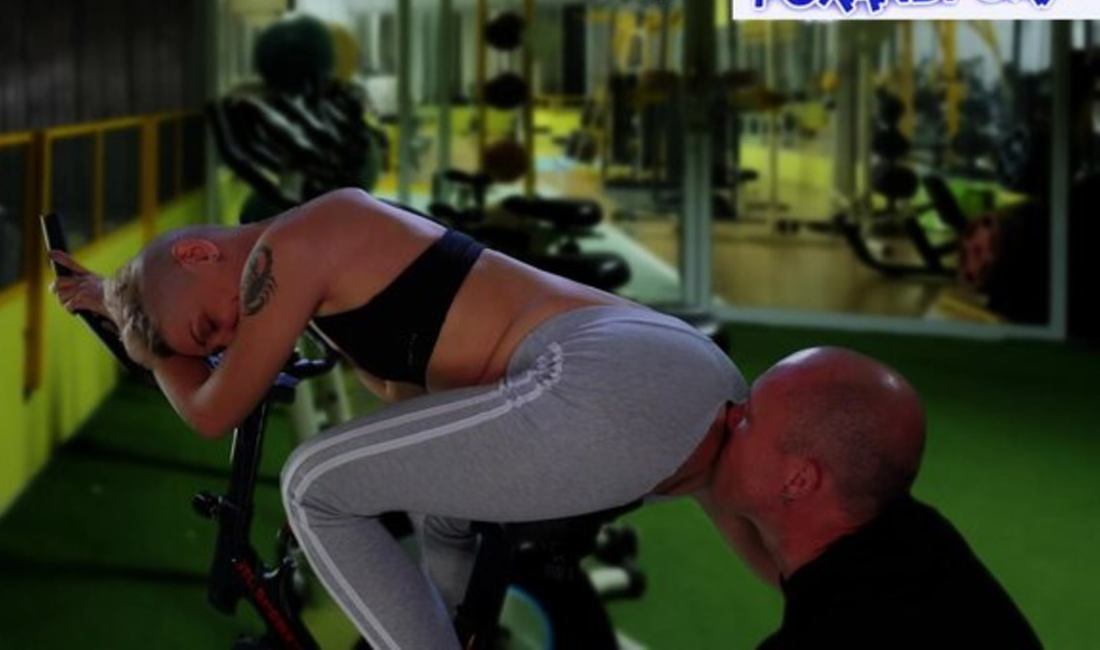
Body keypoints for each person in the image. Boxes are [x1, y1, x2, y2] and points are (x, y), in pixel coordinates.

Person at [51, 187, 750, 650]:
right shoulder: (332, 290)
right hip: (667, 379)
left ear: (198, 251)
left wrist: (147, 346)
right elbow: (412, 411)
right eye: (214, 343)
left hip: (610, 374)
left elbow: (213, 412)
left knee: (313, 485)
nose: (232, 338)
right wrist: (116, 302)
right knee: (431, 506)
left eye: (209, 325)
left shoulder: (287, 248)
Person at [707, 347, 1041, 649]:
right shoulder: (919, 539)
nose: (729, 417)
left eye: (747, 418)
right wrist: (704, 484)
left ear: (798, 480)